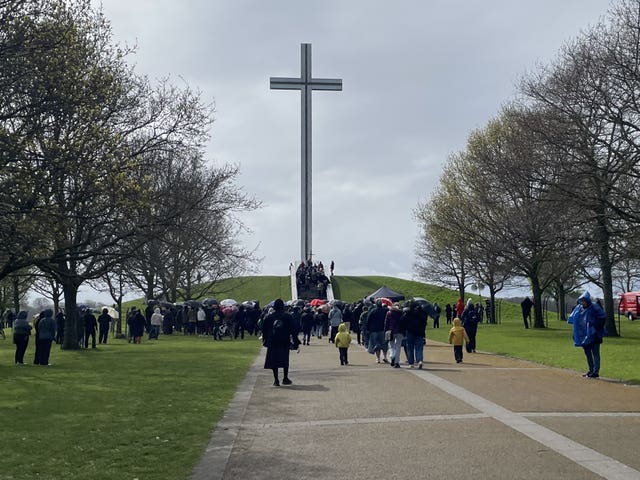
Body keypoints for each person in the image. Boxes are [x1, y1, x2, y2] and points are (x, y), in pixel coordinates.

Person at [568, 291, 607, 378]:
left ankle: (596, 372)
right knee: (588, 353)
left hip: (595, 335)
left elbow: (602, 318)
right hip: (584, 336)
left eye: (584, 301)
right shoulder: (579, 309)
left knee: (595, 353)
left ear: (587, 300)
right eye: (581, 301)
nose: (583, 303)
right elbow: (575, 320)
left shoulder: (595, 307)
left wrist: (595, 327)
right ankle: (590, 370)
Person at [262, 299, 299, 386]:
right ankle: (285, 378)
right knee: (284, 359)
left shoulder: (269, 317)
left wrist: (265, 340)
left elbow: (264, 330)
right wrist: (295, 342)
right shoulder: (288, 317)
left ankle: (276, 380)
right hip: (284, 340)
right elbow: (293, 330)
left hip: (273, 341)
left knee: (274, 360)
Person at [404, 300, 428, 369]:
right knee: (419, 348)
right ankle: (419, 360)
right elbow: (424, 323)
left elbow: (403, 320)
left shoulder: (408, 313)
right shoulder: (423, 313)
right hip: (419, 332)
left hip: (410, 332)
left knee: (410, 348)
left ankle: (411, 363)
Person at [366, 299, 389, 364]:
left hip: (374, 330)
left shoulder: (372, 311)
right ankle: (385, 356)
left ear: (376, 304)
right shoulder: (385, 311)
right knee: (384, 344)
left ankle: (378, 358)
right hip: (383, 329)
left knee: (376, 345)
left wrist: (368, 329)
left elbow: (368, 321)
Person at [384, 303, 404, 368]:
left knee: (391, 345)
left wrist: (385, 331)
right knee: (398, 347)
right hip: (400, 331)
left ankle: (392, 356)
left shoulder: (389, 313)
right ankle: (396, 362)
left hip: (391, 331)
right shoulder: (402, 313)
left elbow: (386, 323)